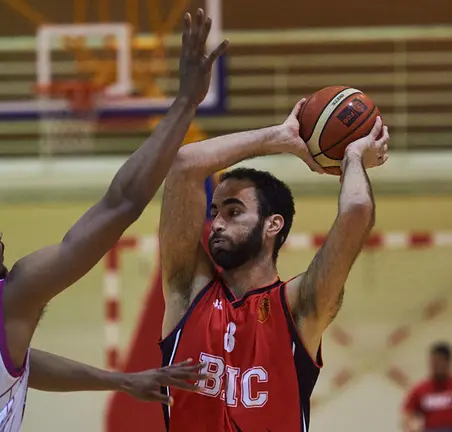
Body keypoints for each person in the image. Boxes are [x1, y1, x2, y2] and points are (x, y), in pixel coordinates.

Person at [0, 9, 228, 431]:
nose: (0, 236)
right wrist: (185, 102)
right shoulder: (5, 299)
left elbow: (15, 361)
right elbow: (121, 203)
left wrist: (119, 381)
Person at [157, 98, 390, 431]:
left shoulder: (299, 306)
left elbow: (356, 211)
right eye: (215, 213)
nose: (217, 224)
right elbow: (183, 164)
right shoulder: (188, 291)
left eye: (233, 212)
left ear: (273, 224)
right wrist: (280, 138)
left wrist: (352, 156)